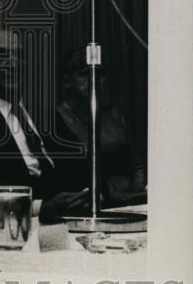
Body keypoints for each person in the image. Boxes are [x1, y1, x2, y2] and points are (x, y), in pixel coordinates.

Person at [0, 29, 89, 222]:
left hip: (72, 218)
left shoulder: (48, 116)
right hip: (18, 224)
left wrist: (86, 194)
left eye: (19, 56)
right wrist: (42, 207)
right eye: (1, 55)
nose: (12, 64)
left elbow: (81, 166)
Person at [56, 47, 147, 207]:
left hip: (131, 201)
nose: (94, 79)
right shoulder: (58, 120)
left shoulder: (114, 115)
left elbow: (137, 165)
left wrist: (135, 193)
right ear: (67, 81)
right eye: (85, 74)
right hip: (88, 205)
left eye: (100, 74)